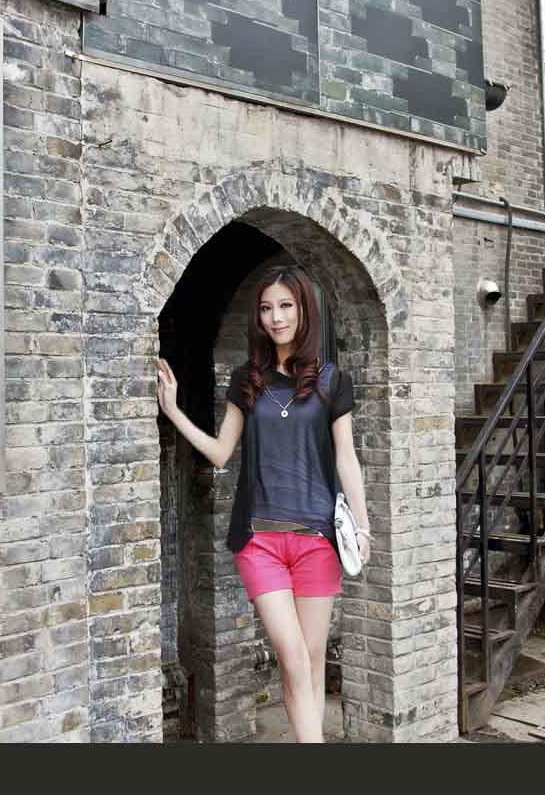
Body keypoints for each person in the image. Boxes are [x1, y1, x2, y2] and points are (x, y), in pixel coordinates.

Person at [156, 263, 371, 743]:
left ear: (304, 310)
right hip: (261, 543)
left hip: (317, 540)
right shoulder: (246, 380)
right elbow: (220, 452)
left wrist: (362, 525)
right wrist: (173, 410)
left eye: (286, 306)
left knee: (311, 661)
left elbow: (346, 457)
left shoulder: (332, 382)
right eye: (267, 308)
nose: (276, 317)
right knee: (293, 660)